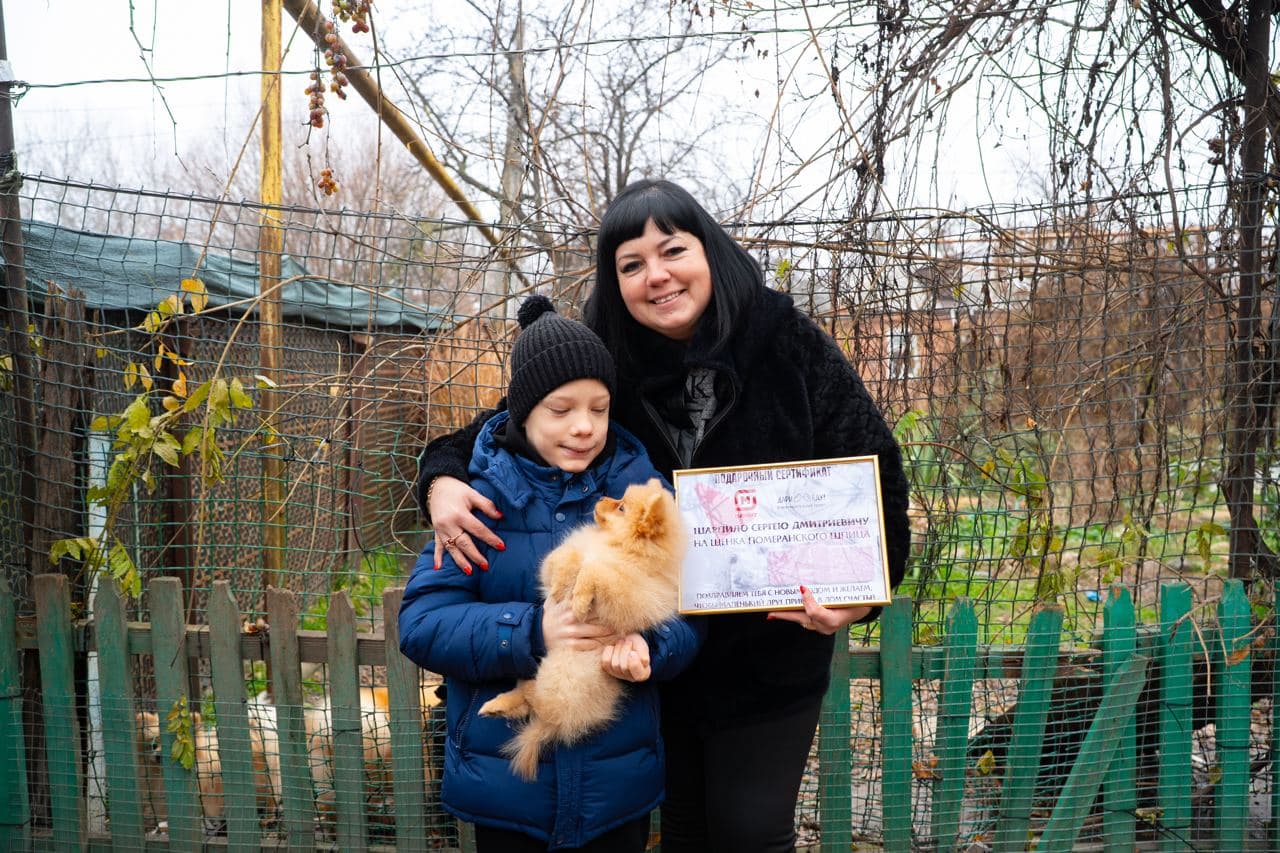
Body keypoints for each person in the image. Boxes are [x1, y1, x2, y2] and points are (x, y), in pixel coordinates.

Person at [415, 179, 911, 853]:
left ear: (709, 252)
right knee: (679, 829)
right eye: (631, 264)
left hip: (765, 655)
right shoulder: (603, 356)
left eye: (672, 250)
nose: (656, 276)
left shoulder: (788, 345)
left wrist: (862, 598)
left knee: (749, 834)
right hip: (646, 652)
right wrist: (441, 478)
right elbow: (506, 426)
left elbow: (876, 472)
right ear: (613, 281)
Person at [398, 295, 703, 852]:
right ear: (522, 412)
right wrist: (531, 631)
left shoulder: (642, 497)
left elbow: (690, 609)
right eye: (560, 410)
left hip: (616, 786)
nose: (584, 427)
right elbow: (423, 622)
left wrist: (652, 645)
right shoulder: (475, 504)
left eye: (599, 408)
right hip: (508, 785)